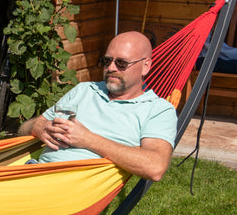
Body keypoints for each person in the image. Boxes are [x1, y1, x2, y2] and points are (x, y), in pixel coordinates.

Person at [18, 31, 177, 182]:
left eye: (121, 63)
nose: (111, 68)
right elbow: (23, 130)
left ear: (145, 66)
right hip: (35, 172)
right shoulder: (84, 90)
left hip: (74, 188)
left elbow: (156, 167)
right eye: (107, 61)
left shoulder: (157, 109)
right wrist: (37, 126)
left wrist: (88, 139)